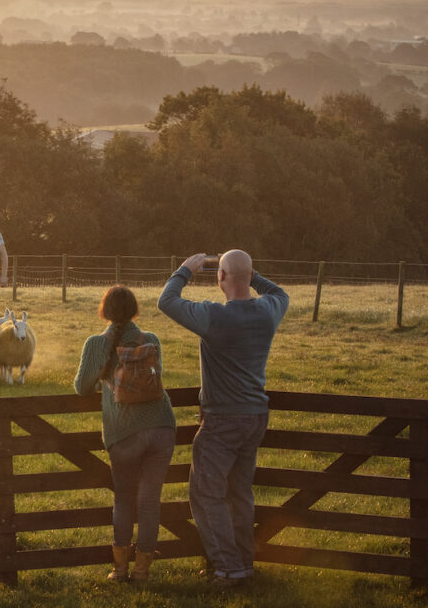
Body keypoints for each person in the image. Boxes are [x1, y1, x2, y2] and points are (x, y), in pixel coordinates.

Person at [157, 250, 289, 589]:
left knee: (206, 494)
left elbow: (167, 301)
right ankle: (243, 564)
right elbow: (280, 293)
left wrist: (186, 269)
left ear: (220, 278)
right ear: (247, 276)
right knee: (239, 494)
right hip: (255, 416)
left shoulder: (213, 316)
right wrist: (251, 274)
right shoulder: (267, 311)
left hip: (222, 420)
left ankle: (228, 569)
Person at [74, 285, 176, 582]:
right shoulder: (151, 340)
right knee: (149, 502)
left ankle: (119, 570)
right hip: (161, 427)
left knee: (124, 500)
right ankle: (142, 570)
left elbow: (82, 387)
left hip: (124, 432)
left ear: (105, 311)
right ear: (134, 310)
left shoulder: (96, 344)